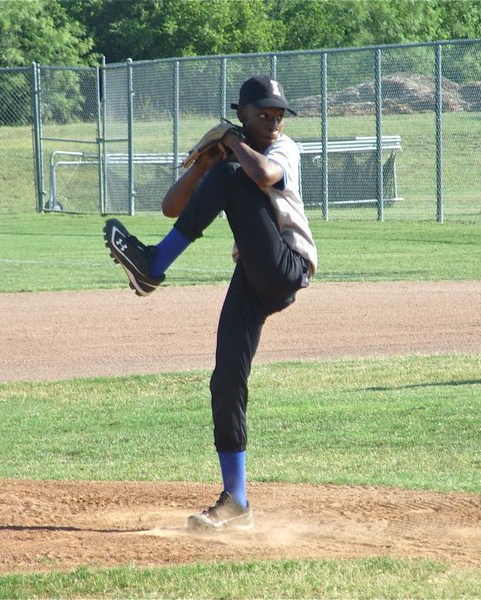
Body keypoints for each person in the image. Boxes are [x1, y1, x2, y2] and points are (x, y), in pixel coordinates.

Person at [103, 75, 317, 532]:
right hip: (253, 278)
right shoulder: (232, 157)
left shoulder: (283, 150)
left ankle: (154, 265)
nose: (273, 120)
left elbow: (262, 176)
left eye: (278, 114)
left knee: (236, 175)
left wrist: (231, 146)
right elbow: (171, 206)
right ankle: (236, 500)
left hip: (285, 266)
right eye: (263, 113)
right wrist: (205, 163)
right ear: (241, 112)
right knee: (225, 380)